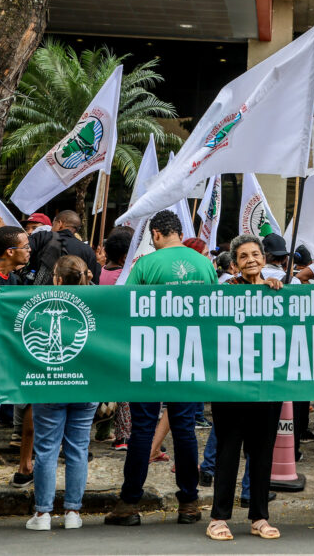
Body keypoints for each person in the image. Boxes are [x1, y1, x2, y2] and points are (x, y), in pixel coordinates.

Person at [105, 210, 215, 528]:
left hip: (150, 354)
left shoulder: (146, 265)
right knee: (184, 429)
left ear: (155, 235)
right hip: (189, 355)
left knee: (142, 429)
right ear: (178, 233)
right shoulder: (205, 265)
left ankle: (128, 505)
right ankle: (189, 504)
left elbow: (126, 309)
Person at [206, 233, 283, 541]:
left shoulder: (280, 291)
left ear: (264, 259)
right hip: (231, 386)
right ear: (235, 265)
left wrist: (275, 292)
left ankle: (259, 516)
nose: (251, 259)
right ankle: (218, 518)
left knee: (263, 454)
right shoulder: (226, 293)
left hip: (268, 385)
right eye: (243, 256)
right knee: (228, 451)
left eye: (256, 254)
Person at [26, 255, 97, 532]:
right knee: (78, 449)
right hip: (87, 384)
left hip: (50, 384)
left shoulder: (40, 299)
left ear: (56, 278)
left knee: (46, 450)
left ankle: (42, 513)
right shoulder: (97, 301)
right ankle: (72, 511)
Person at [27, 210, 101, 285]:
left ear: (59, 223)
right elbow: (93, 283)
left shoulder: (42, 237)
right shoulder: (88, 250)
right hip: (74, 295)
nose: (52, 228)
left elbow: (23, 251)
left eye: (53, 224)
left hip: (39, 293)